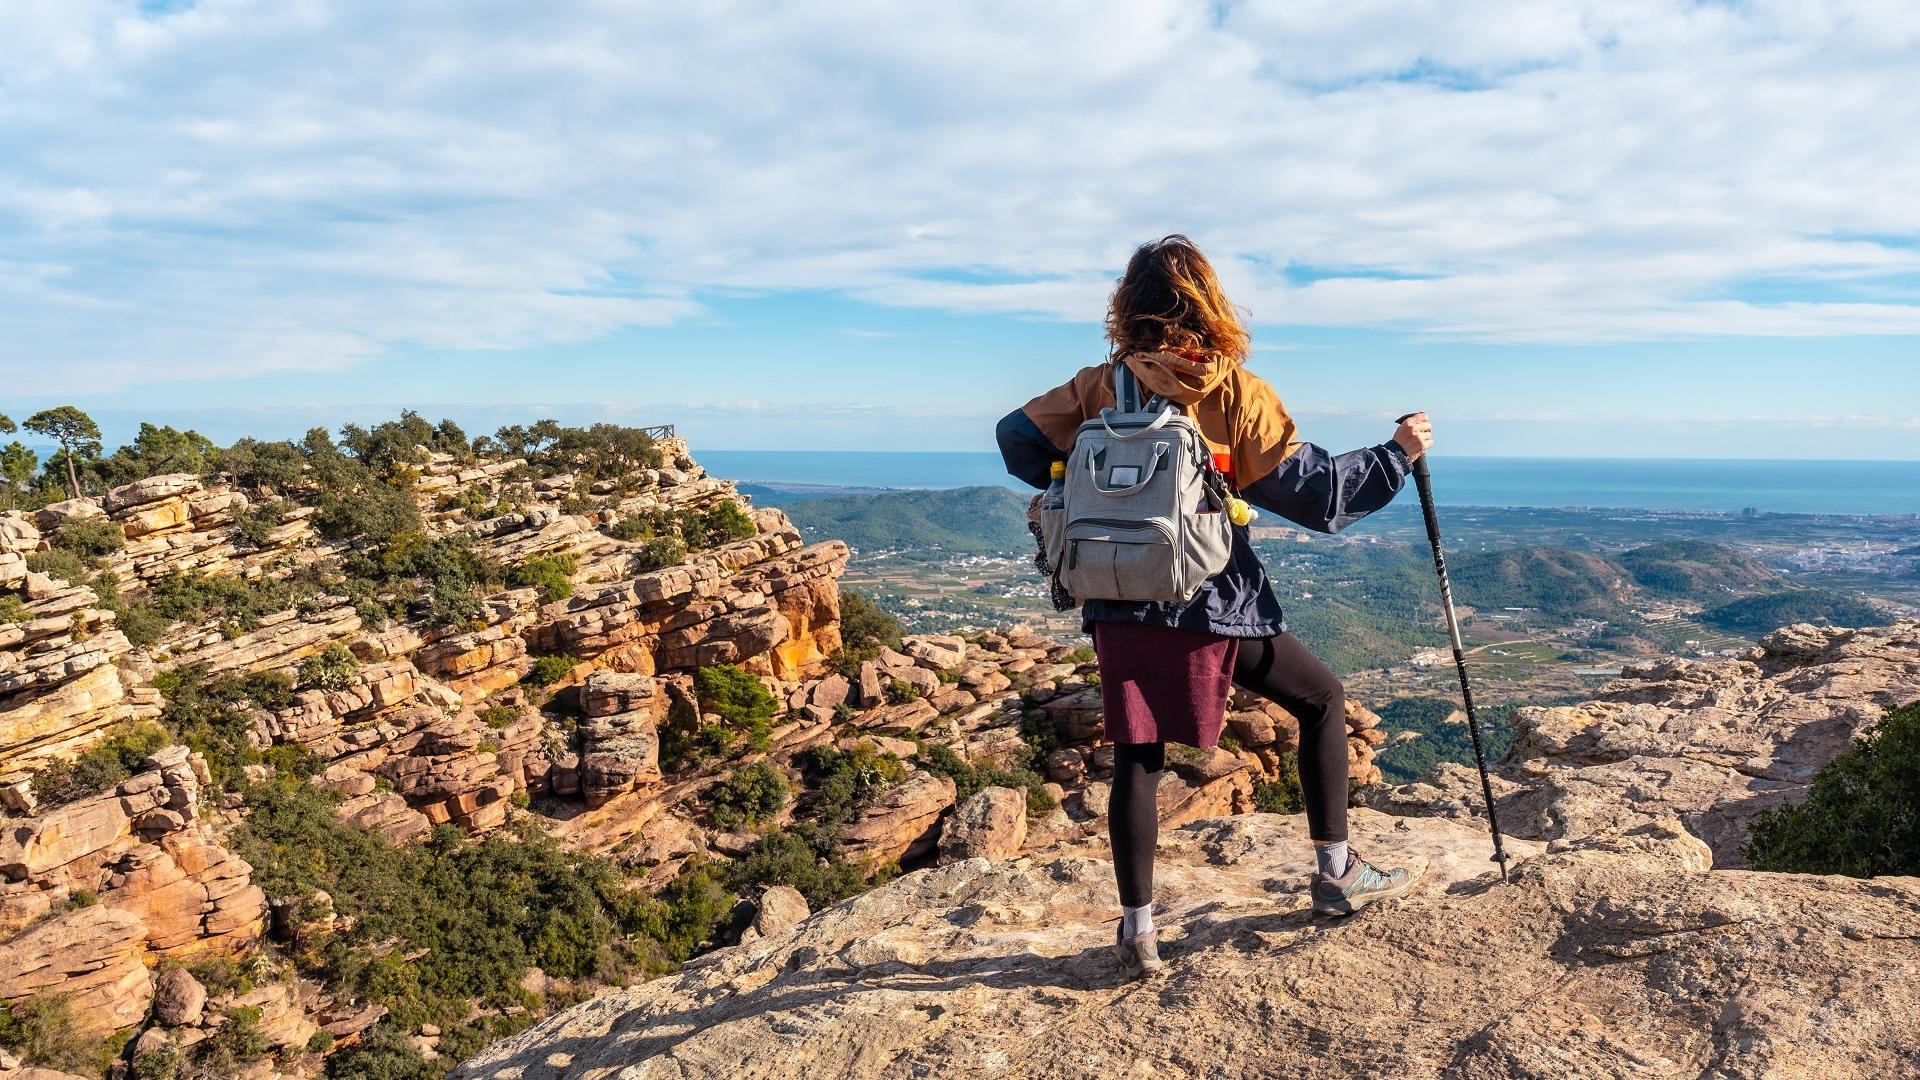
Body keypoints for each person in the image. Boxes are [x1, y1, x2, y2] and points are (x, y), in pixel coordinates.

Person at [995, 235, 1436, 980]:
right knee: (1323, 700)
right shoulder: (1230, 389)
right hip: (1209, 593)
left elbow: (1015, 441)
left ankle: (1137, 931)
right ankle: (1337, 873)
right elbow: (1318, 495)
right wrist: (1397, 452)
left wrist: (1086, 477)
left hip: (1116, 592)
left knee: (1138, 755)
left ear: (1126, 309)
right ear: (1210, 303)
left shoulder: (1098, 386)